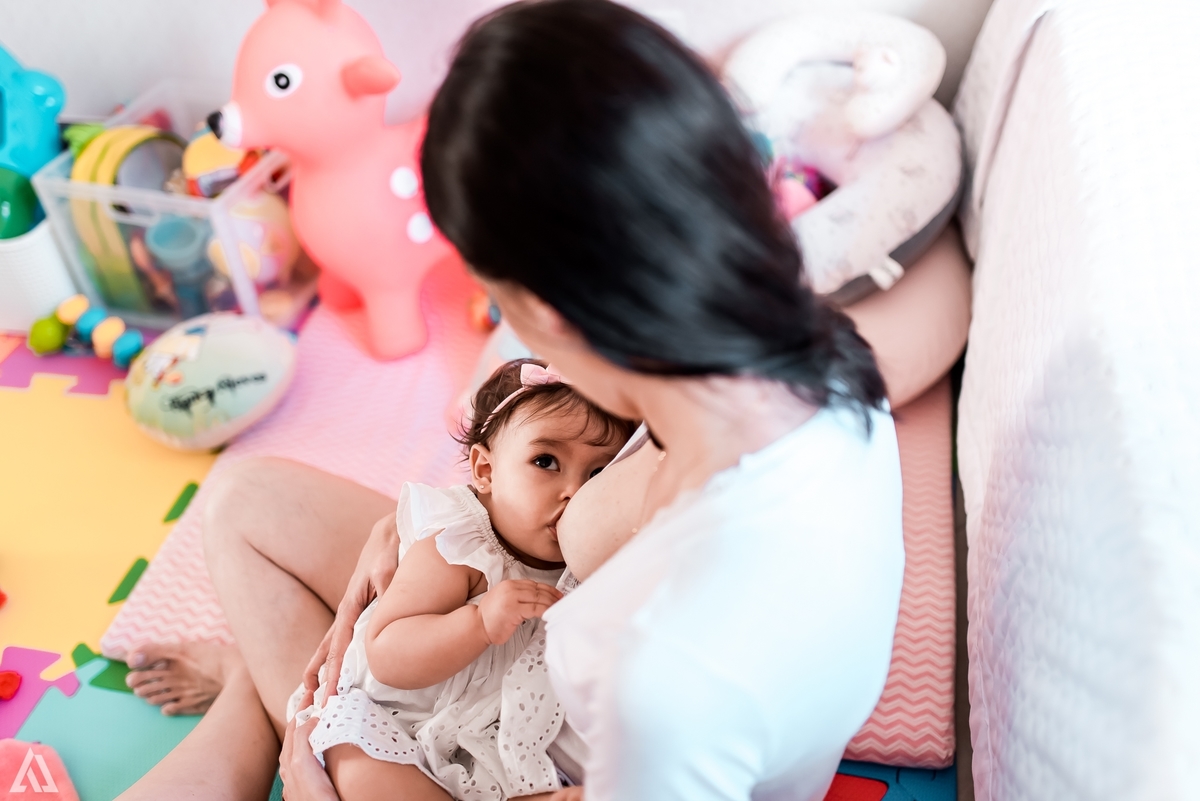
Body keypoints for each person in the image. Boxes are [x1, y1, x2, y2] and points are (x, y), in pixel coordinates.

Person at [117, 1, 904, 799]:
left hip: (536, 752)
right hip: (527, 619)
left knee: (328, 739)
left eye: (499, 302)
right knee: (245, 498)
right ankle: (272, 697)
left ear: (550, 311)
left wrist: (323, 766)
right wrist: (414, 529)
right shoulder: (807, 361)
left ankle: (260, 703)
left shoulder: (670, 675)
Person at [290, 358, 633, 799]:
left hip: (493, 731)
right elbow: (388, 653)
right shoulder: (461, 544)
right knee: (360, 766)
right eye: (546, 461)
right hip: (404, 718)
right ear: (485, 471)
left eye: (598, 474)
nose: (574, 491)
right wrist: (478, 622)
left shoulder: (591, 555)